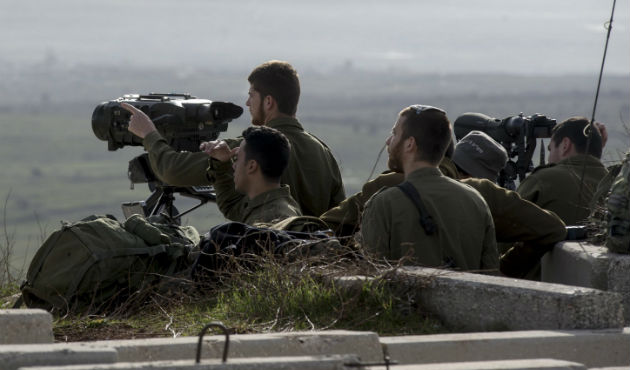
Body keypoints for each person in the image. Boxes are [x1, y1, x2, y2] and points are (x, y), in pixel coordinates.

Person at [126, 60, 345, 217]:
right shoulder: (323, 152)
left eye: (252, 96)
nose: (248, 104)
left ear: (268, 102)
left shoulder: (248, 148)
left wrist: (149, 134)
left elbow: (172, 170)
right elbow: (340, 216)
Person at [360, 105, 498, 271]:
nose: (389, 141)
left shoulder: (384, 204)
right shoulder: (476, 201)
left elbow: (371, 278)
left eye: (395, 133)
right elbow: (491, 273)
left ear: (410, 144)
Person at [123, 103, 300, 225]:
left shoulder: (270, 220)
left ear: (252, 166)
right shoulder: (271, 203)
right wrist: (220, 163)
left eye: (236, 159)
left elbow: (172, 170)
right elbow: (232, 205)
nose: (233, 166)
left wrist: (149, 134)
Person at [516, 116, 608, 225]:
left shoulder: (542, 181)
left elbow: (506, 227)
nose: (549, 158)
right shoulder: (617, 183)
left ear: (565, 145)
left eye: (551, 149)